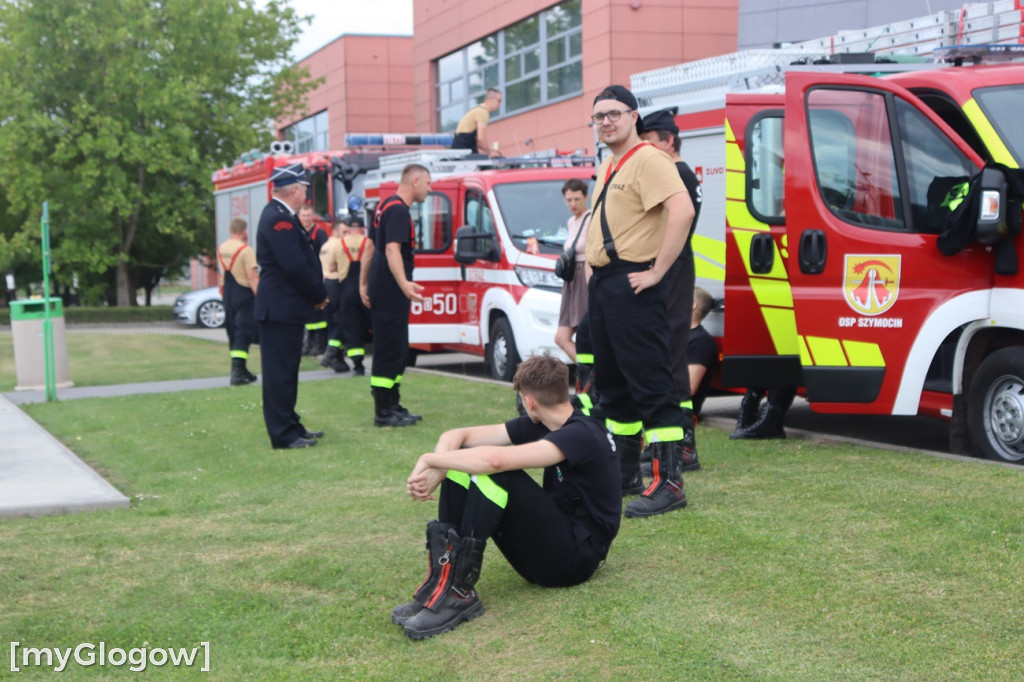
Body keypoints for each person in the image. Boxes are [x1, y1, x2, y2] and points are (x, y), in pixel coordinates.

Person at [392, 355, 620, 639]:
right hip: (551, 552)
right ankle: (444, 583)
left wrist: (429, 458)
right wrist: (440, 467)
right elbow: (457, 434)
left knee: (495, 471)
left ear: (529, 401)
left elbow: (496, 461)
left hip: (575, 561)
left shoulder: (582, 433)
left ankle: (458, 593)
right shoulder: (545, 423)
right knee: (464, 464)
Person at [585, 85, 696, 518]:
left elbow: (681, 211)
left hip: (634, 284)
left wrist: (657, 272)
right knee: (612, 388)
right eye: (598, 116)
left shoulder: (649, 159)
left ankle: (669, 482)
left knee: (652, 384)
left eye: (613, 113)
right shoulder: (608, 164)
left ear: (634, 117)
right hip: (606, 286)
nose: (606, 121)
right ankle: (626, 473)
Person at [640, 108, 705, 470]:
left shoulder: (677, 173)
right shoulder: (678, 172)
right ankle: (672, 441)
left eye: (650, 142)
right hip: (674, 266)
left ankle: (682, 446)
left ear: (668, 141)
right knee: (665, 354)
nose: (645, 150)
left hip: (672, 267)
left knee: (669, 354)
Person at [254, 163, 329, 449]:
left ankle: (291, 424)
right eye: (305, 190)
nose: (306, 195)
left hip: (284, 309)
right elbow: (295, 265)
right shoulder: (278, 218)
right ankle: (283, 434)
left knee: (287, 370)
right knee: (279, 374)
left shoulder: (282, 215)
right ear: (295, 190)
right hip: (279, 310)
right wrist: (317, 293)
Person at [366, 164, 429, 427]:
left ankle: (392, 403)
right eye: (427, 182)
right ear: (414, 181)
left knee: (397, 347)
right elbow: (392, 250)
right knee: (390, 349)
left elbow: (370, 246)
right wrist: (405, 284)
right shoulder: (399, 210)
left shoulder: (384, 205)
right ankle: (383, 411)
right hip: (390, 289)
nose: (429, 188)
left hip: (382, 286)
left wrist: (362, 283)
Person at [323, 216, 372, 376]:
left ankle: (358, 366)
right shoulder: (368, 242)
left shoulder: (338, 244)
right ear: (363, 228)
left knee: (352, 328)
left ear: (349, 228)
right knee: (375, 325)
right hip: (366, 289)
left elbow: (331, 268)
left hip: (346, 291)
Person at [217, 217, 260, 386]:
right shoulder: (246, 250)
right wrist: (259, 296)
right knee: (243, 331)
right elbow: (251, 275)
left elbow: (221, 274)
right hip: (243, 293)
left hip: (228, 292)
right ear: (244, 231)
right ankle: (237, 372)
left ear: (230, 230)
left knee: (233, 330)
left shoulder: (222, 248)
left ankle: (241, 369)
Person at [554, 178, 592, 364]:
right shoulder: (571, 222)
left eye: (577, 199)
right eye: (569, 200)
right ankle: (590, 372)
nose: (573, 204)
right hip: (570, 281)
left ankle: (594, 375)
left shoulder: (591, 217)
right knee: (561, 337)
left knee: (586, 334)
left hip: (585, 276)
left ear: (586, 197)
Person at [299, 204, 331, 357]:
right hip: (304, 275)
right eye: (303, 215)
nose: (306, 218)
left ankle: (320, 344)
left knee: (319, 313)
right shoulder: (299, 231)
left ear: (313, 216)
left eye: (308, 215)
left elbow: (325, 254)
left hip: (318, 275)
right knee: (308, 312)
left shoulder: (319, 233)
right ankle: (309, 344)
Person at [320, 219, 349, 373]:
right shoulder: (338, 245)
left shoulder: (325, 245)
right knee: (341, 321)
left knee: (333, 323)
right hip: (336, 283)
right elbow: (334, 266)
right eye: (344, 232)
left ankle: (338, 358)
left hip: (326, 284)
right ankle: (331, 354)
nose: (347, 235)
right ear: (336, 231)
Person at [451, 88, 503, 158]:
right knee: (487, 164)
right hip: (463, 148)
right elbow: (481, 139)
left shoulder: (478, 109)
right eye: (499, 101)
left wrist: (487, 151)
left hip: (461, 146)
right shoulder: (482, 112)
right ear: (491, 100)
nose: (500, 104)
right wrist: (490, 152)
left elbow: (478, 141)